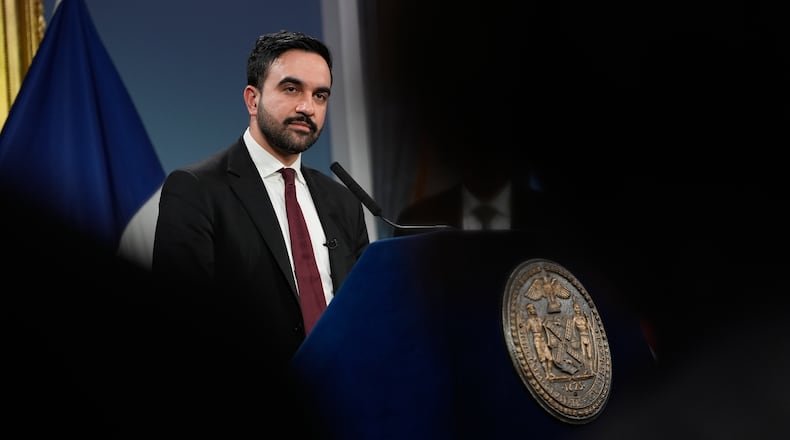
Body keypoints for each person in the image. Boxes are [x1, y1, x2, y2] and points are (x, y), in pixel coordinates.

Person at [151, 30, 370, 435]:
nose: (307, 107)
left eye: (320, 95)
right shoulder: (196, 189)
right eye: (291, 89)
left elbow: (363, 317)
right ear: (252, 99)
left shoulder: (342, 201)